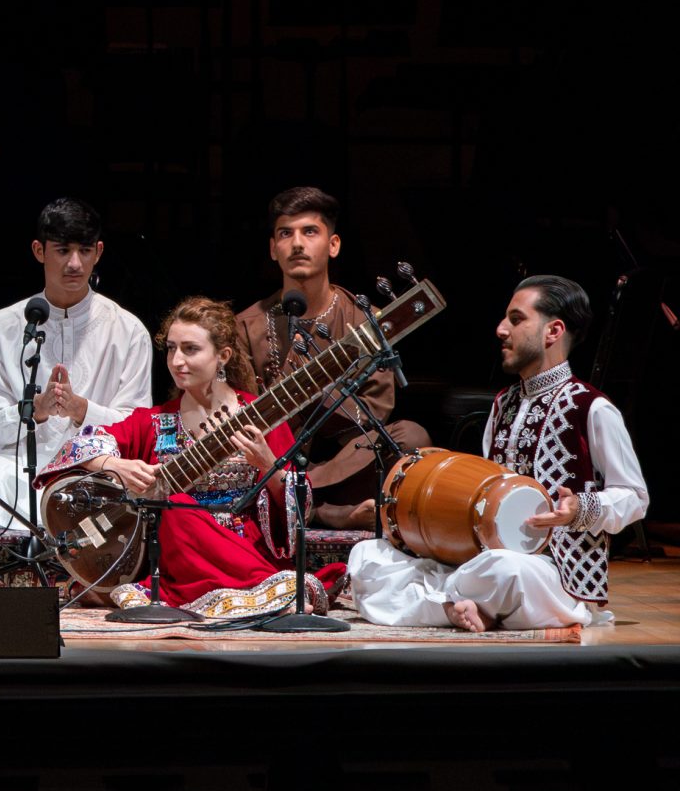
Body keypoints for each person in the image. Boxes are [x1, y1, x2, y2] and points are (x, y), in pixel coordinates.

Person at [347, 276, 648, 632]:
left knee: (507, 570)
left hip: (551, 571)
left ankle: (448, 603)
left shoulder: (591, 408)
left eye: (516, 319)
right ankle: (456, 608)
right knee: (369, 557)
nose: (501, 329)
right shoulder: (503, 405)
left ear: (553, 331)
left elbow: (635, 497)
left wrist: (580, 509)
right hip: (483, 555)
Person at [62, 295, 329, 614]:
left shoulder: (259, 416)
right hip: (180, 553)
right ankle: (259, 599)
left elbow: (301, 502)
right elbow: (74, 448)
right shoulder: (154, 421)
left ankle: (255, 592)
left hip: (242, 549)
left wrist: (268, 466)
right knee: (175, 507)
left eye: (190, 349)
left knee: (175, 505)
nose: (176, 361)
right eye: (172, 348)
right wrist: (113, 464)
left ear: (223, 356)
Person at [233, 185, 431, 528]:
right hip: (272, 461)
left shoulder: (364, 320)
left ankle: (313, 506)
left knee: (411, 438)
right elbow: (239, 410)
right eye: (285, 233)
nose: (297, 243)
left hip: (342, 462)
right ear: (272, 248)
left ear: (333, 245)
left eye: (310, 231)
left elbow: (375, 410)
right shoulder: (246, 327)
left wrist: (318, 396)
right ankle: (328, 514)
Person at [0, 197, 153, 528]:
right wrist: (37, 409)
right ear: (39, 251)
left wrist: (81, 409)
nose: (75, 263)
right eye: (62, 251)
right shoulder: (2, 326)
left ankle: (53, 526)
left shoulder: (129, 330)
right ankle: (49, 526)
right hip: (14, 479)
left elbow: (137, 425)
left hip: (94, 480)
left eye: (85, 251)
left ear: (98, 252)